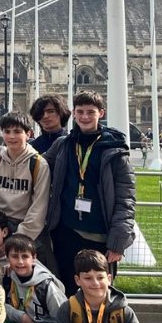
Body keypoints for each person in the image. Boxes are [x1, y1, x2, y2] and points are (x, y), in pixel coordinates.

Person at [43, 91, 136, 293]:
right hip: (66, 231)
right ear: (74, 114)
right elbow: (36, 164)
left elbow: (126, 199)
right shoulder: (63, 145)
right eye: (80, 112)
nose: (85, 117)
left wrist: (118, 241)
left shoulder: (115, 151)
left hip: (99, 235)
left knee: (97, 291)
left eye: (90, 112)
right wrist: (0, 154)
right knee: (67, 288)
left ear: (101, 113)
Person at [0, 112, 52, 265]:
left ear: (28, 134)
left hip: (26, 229)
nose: (11, 137)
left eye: (17, 132)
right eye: (7, 132)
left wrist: (19, 239)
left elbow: (39, 208)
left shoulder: (38, 164)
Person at [2, 235, 66, 323]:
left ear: (34, 258)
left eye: (25, 256)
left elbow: (63, 322)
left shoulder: (47, 287)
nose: (20, 262)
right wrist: (20, 316)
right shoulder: (7, 278)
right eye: (14, 256)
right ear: (7, 257)